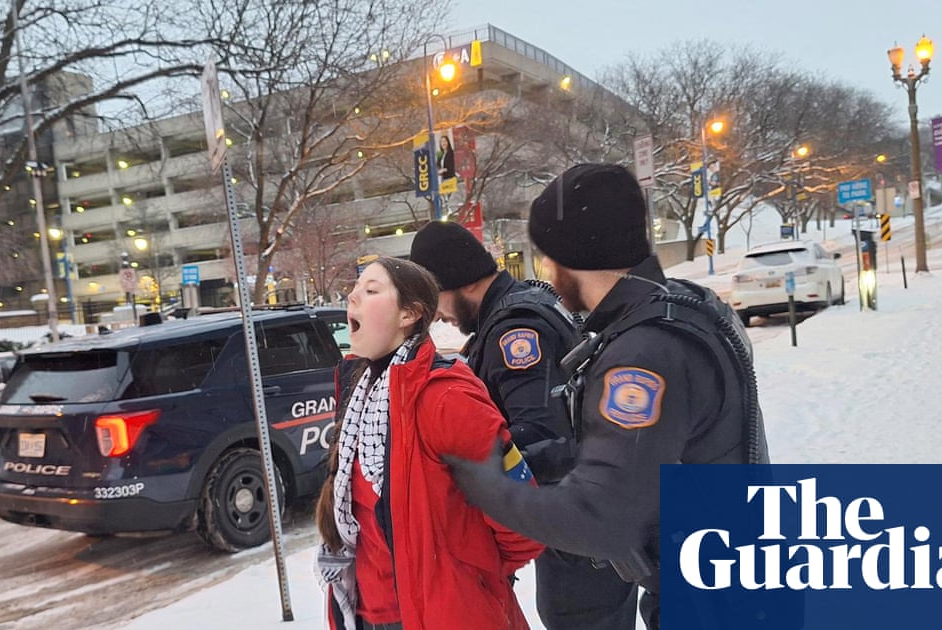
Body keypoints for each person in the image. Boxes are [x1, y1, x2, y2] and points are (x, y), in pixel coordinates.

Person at [445, 163, 773, 629]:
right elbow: (650, 452)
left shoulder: (644, 352)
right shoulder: (680, 304)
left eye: (546, 257)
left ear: (568, 255)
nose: (546, 272)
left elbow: (597, 518)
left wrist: (482, 484)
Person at [410, 221, 638, 630]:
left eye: (436, 299)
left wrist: (463, 478)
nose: (439, 315)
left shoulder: (514, 331)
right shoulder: (522, 304)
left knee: (577, 619)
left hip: (579, 530)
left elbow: (544, 443)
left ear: (456, 280)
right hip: (588, 521)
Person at [314, 257, 542, 630]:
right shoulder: (359, 396)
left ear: (410, 314)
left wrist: (467, 576)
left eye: (371, 290)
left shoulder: (447, 397)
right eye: (355, 289)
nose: (353, 297)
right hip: (368, 614)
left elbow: (522, 522)